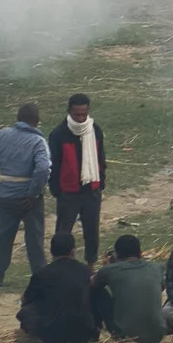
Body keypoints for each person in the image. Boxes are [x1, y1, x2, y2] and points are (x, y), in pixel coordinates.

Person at [0, 103, 52, 285]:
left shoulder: (2, 134)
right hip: (29, 199)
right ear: (37, 121)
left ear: (17, 118)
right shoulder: (37, 142)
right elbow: (43, 169)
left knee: (2, 238)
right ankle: (40, 277)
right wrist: (33, 193)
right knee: (35, 240)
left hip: (5, 195)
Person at [52, 93, 108, 264]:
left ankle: (90, 265)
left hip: (91, 190)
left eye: (84, 114)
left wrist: (101, 182)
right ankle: (60, 264)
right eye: (77, 114)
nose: (81, 118)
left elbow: (101, 158)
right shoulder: (59, 134)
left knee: (92, 232)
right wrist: (57, 191)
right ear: (69, 111)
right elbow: (53, 165)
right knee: (63, 233)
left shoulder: (94, 129)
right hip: (68, 193)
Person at [18, 231, 98, 343]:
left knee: (26, 312)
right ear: (73, 251)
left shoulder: (42, 274)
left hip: (51, 335)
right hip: (83, 333)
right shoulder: (86, 271)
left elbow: (26, 300)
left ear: (51, 251)